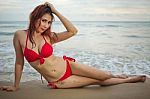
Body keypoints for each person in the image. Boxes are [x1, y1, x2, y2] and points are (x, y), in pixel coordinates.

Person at [0, 2, 146, 91]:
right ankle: (128, 79)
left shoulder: (49, 37)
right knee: (97, 81)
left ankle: (117, 75)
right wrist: (15, 86)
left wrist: (55, 11)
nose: (45, 25)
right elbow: (19, 62)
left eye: (49, 22)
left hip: (68, 66)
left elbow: (73, 31)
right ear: (34, 17)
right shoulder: (19, 35)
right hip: (59, 81)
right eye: (43, 20)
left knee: (104, 75)